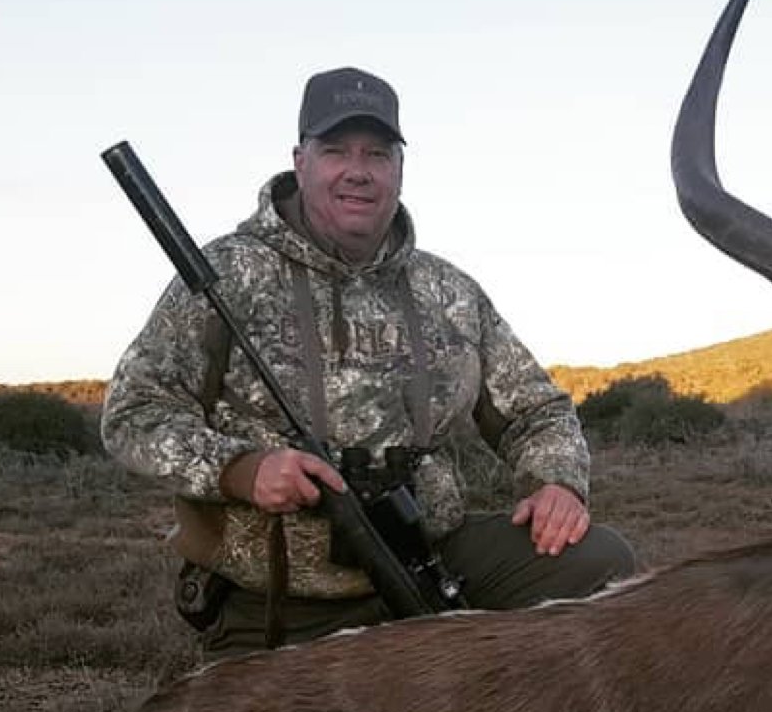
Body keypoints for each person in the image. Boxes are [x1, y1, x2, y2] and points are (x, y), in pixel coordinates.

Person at [102, 66, 637, 655]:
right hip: (279, 593)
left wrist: (557, 483)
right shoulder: (224, 276)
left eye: (377, 154)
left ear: (399, 170)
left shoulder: (448, 291)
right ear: (300, 161)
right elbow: (134, 414)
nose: (358, 170)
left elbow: (539, 410)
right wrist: (244, 469)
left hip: (429, 562)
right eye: (336, 150)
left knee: (601, 563)